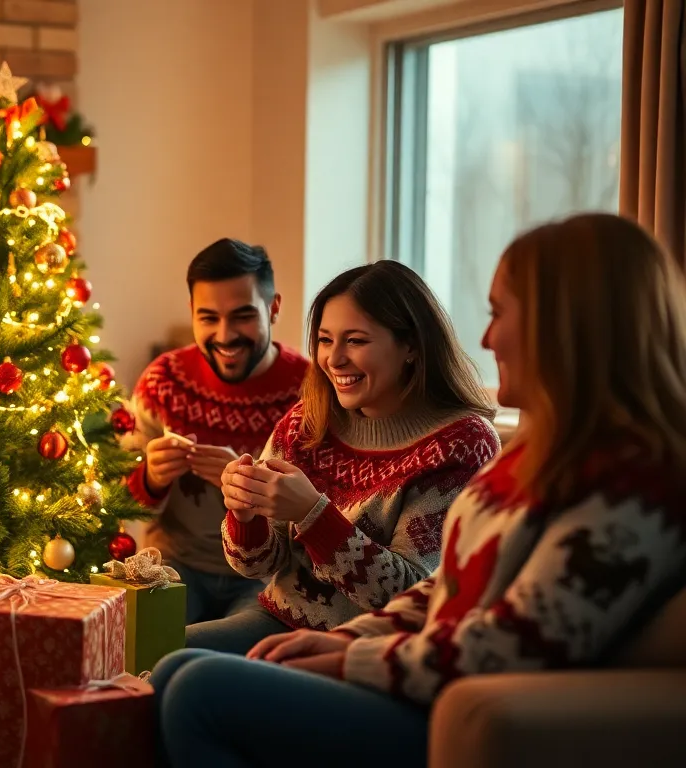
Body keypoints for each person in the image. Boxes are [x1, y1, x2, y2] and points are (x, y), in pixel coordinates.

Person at [153, 213, 686, 768]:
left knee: (195, 689)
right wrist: (250, 516)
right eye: (326, 341)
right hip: (360, 644)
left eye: (500, 314)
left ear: (569, 326)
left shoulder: (630, 488)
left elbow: (512, 639)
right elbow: (442, 590)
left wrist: (349, 643)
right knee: (166, 667)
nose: (486, 338)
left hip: (432, 696)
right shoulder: (540, 453)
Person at [189, 259, 500, 654]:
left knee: (191, 674)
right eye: (325, 340)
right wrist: (244, 514)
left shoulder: (462, 444)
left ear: (411, 346)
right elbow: (257, 566)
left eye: (355, 341)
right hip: (278, 619)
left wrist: (313, 514)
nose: (334, 359)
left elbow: (406, 596)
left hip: (371, 649)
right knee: (162, 654)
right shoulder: (307, 421)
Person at [124, 239, 310, 624]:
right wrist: (152, 477)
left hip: (268, 577)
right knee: (148, 642)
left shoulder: (310, 391)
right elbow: (120, 504)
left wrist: (248, 485)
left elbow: (325, 509)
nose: (225, 336)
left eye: (242, 316)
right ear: (192, 312)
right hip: (174, 566)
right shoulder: (162, 382)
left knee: (230, 650)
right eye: (209, 318)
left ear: (273, 308)